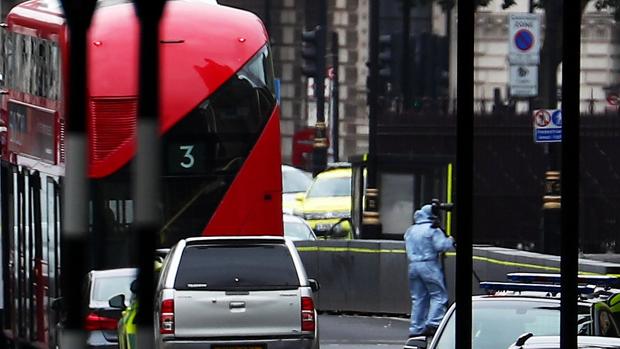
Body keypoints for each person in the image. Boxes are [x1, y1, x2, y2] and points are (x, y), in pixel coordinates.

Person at [405, 204, 455, 337]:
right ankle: (433, 323)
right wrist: (449, 239)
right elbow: (441, 246)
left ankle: (416, 328)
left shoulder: (411, 230)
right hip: (429, 264)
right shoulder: (432, 230)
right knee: (438, 295)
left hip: (413, 265)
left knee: (418, 297)